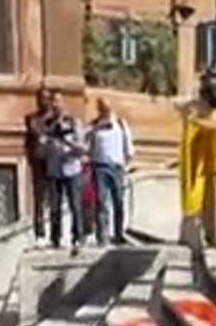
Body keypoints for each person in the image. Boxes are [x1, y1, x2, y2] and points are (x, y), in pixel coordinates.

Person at [176, 75, 216, 253]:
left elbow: (209, 125)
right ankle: (212, 236)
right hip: (210, 167)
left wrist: (192, 117)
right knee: (210, 207)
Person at [39, 89, 87, 256]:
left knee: (75, 205)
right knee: (54, 208)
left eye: (58, 101)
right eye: (52, 102)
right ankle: (55, 238)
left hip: (72, 170)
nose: (55, 105)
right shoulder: (47, 124)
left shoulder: (73, 122)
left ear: (63, 102)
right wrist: (46, 142)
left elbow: (82, 149)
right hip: (54, 171)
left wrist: (66, 140)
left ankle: (78, 237)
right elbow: (41, 151)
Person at [88, 96, 136, 246]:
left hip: (117, 167)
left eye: (106, 106)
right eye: (101, 106)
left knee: (118, 202)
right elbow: (88, 144)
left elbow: (128, 146)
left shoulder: (121, 124)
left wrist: (127, 163)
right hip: (99, 166)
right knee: (101, 202)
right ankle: (102, 236)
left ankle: (119, 234)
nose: (104, 109)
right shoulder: (94, 126)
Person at [25, 86, 53, 246]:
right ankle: (40, 232)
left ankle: (56, 233)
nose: (43, 101)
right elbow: (34, 135)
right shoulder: (31, 118)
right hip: (38, 162)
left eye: (46, 98)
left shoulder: (56, 118)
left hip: (54, 162)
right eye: (40, 98)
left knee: (56, 197)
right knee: (39, 198)